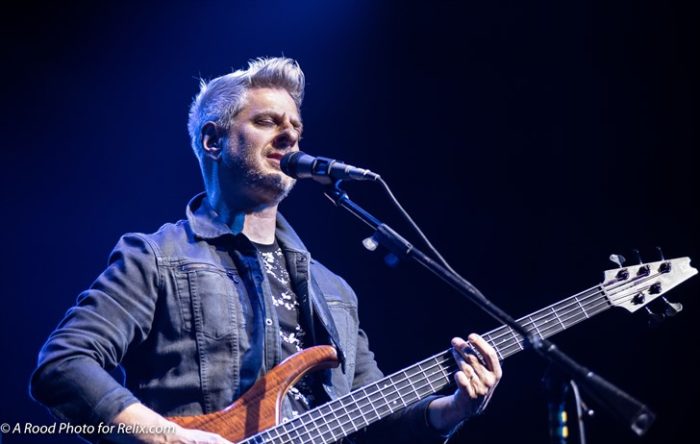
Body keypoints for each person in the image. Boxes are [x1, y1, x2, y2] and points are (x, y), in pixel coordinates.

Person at [30, 57, 502, 444]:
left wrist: (451, 410)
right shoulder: (155, 257)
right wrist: (170, 438)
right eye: (266, 121)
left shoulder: (332, 289)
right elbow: (63, 365)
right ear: (213, 141)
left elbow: (375, 421)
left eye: (295, 126)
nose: (290, 135)